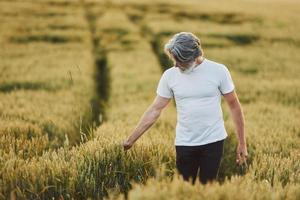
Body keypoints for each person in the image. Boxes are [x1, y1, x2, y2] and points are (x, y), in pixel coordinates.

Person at [122, 32, 248, 185]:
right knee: (184, 188)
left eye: (179, 61)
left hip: (213, 141)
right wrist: (131, 140)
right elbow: (155, 109)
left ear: (194, 56)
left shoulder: (219, 71)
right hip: (184, 143)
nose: (175, 64)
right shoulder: (170, 76)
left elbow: (234, 105)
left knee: (207, 188)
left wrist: (242, 143)